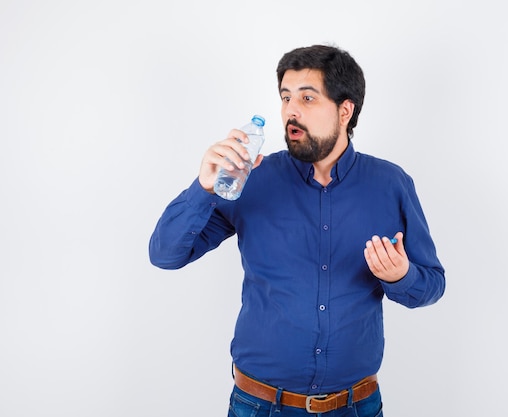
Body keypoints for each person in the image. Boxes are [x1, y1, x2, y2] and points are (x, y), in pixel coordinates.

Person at [149, 44, 445, 417]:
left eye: (307, 98)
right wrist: (203, 188)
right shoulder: (250, 180)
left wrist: (401, 276)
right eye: (286, 97)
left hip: (355, 407)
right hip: (259, 406)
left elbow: (431, 285)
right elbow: (165, 255)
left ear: (345, 110)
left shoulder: (391, 185)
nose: (291, 110)